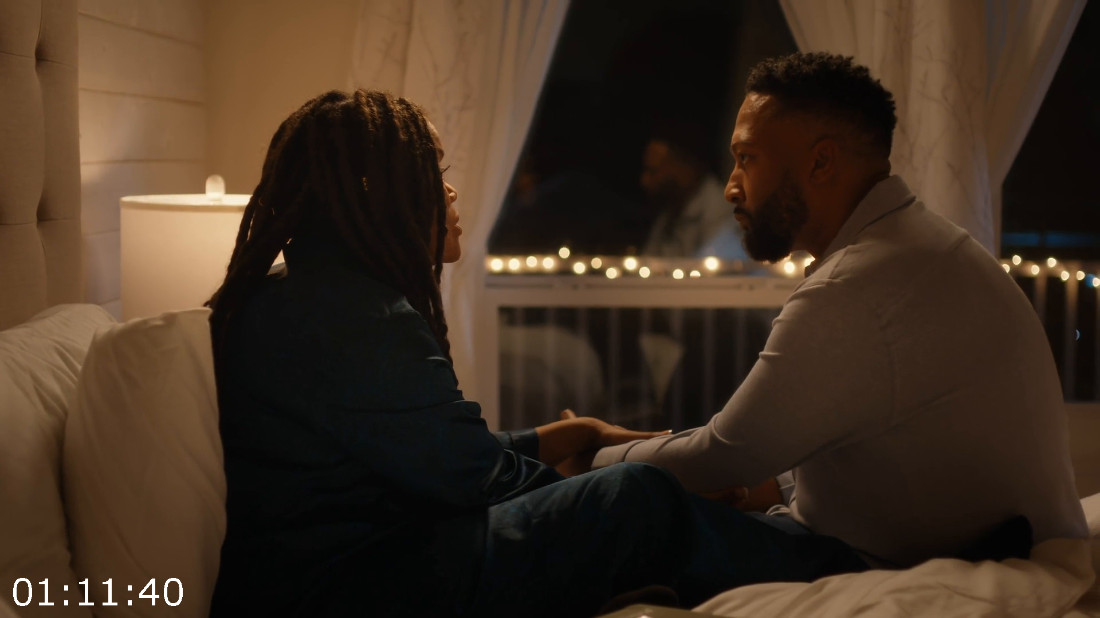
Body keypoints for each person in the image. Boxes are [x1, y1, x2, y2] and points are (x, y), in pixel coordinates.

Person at [205, 89, 867, 618]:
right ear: (375, 192)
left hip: (363, 562)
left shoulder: (301, 298)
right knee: (635, 498)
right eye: (434, 173)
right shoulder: (356, 319)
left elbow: (436, 453)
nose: (451, 192)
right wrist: (601, 486)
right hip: (365, 587)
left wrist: (564, 438)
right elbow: (475, 479)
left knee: (626, 494)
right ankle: (847, 572)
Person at [594, 52, 1089, 568]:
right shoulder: (923, 247)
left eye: (747, 158)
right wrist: (769, 485)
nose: (731, 186)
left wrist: (591, 457)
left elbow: (725, 455)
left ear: (821, 163)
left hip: (895, 559)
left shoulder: (858, 285)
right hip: (959, 542)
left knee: (618, 519)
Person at [640, 124, 749, 261]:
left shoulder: (720, 212)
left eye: (653, 172)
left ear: (683, 168)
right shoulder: (670, 213)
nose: (645, 180)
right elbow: (648, 261)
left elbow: (709, 271)